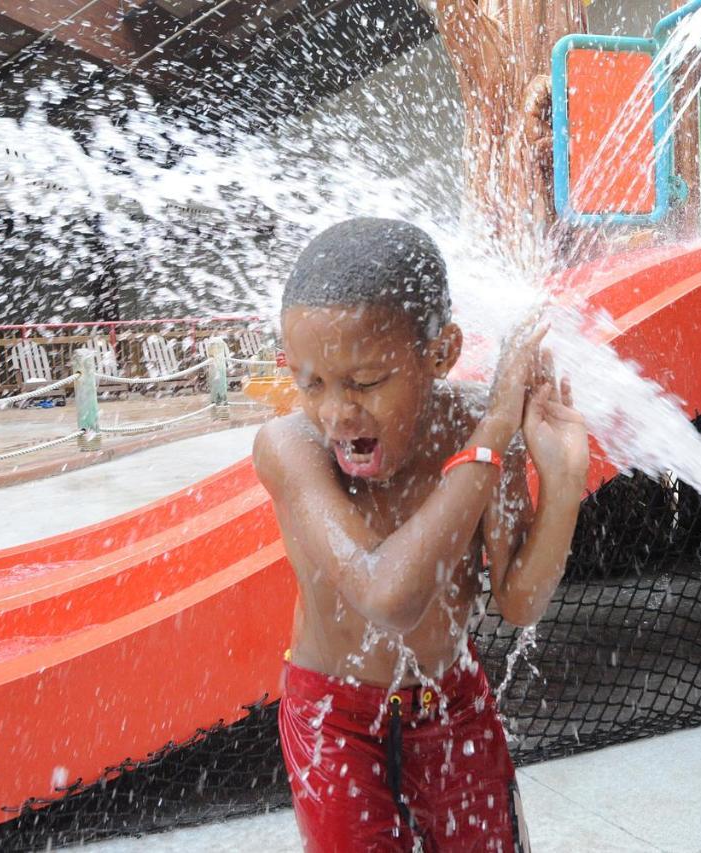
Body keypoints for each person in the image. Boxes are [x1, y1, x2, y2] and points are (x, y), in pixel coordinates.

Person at [254, 217, 589, 852]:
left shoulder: (473, 424)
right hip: (336, 720)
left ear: (440, 353)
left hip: (452, 701)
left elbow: (518, 601)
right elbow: (386, 596)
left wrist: (565, 477)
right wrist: (491, 435)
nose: (336, 412)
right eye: (310, 382)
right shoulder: (291, 448)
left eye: (365, 382)